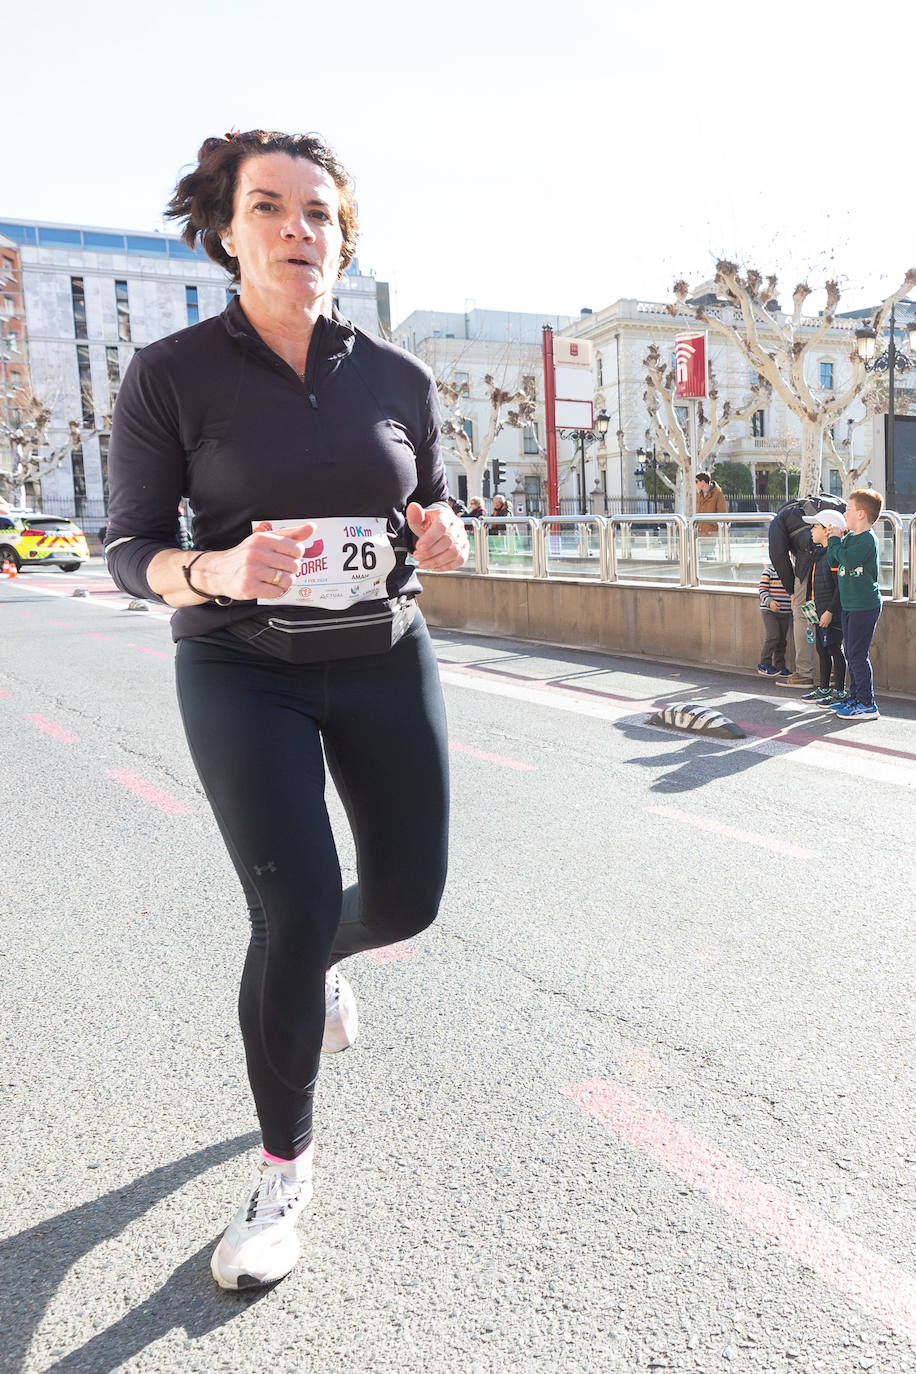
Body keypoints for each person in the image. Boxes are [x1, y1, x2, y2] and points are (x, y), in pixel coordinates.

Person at [104, 128, 468, 1291]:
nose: (298, 230)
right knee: (296, 904)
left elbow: (435, 505)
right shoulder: (171, 374)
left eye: (318, 213)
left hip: (382, 657)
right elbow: (129, 546)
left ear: (342, 236)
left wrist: (448, 534)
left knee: (407, 898)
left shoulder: (399, 374)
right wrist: (208, 572)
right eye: (270, 208)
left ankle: (318, 964)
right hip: (241, 666)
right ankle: (282, 1170)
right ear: (227, 229)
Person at [768, 491, 845, 688]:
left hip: (809, 561)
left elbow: (777, 554)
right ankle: (838, 673)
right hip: (838, 556)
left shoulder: (780, 519)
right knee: (836, 612)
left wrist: (791, 589)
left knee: (803, 614)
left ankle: (804, 673)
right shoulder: (829, 504)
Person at [822, 487, 883, 720]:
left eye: (848, 509)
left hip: (864, 605)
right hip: (849, 604)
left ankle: (867, 703)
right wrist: (834, 540)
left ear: (861, 514)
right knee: (851, 653)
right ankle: (854, 697)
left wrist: (836, 541)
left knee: (857, 654)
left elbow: (847, 558)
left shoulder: (868, 539)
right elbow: (833, 560)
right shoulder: (849, 537)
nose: (844, 514)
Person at [800, 509, 846, 705]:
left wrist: (829, 611)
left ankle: (839, 692)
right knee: (822, 649)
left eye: (815, 526)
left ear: (828, 530)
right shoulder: (820, 553)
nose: (811, 530)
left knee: (835, 649)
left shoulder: (833, 555)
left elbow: (840, 588)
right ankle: (825, 688)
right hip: (820, 612)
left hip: (832, 614)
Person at [756, 563, 792, 677]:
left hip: (786, 612)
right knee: (773, 636)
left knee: (782, 641)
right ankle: (764, 663)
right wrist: (769, 602)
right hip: (769, 611)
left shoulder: (792, 572)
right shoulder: (769, 571)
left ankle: (779, 666)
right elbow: (762, 590)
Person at [694, 471, 726, 535]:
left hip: (712, 532)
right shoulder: (699, 494)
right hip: (700, 532)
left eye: (696, 481)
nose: (695, 484)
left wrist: (712, 523)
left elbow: (722, 512)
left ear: (703, 482)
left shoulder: (718, 493)